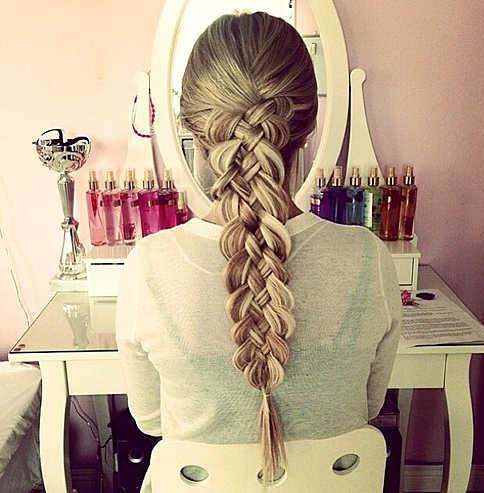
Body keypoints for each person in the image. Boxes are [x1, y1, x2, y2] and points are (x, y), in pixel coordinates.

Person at [116, 11, 401, 492]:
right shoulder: (366, 257)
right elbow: (368, 407)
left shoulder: (148, 266)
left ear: (192, 129)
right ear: (308, 127)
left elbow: (150, 420)